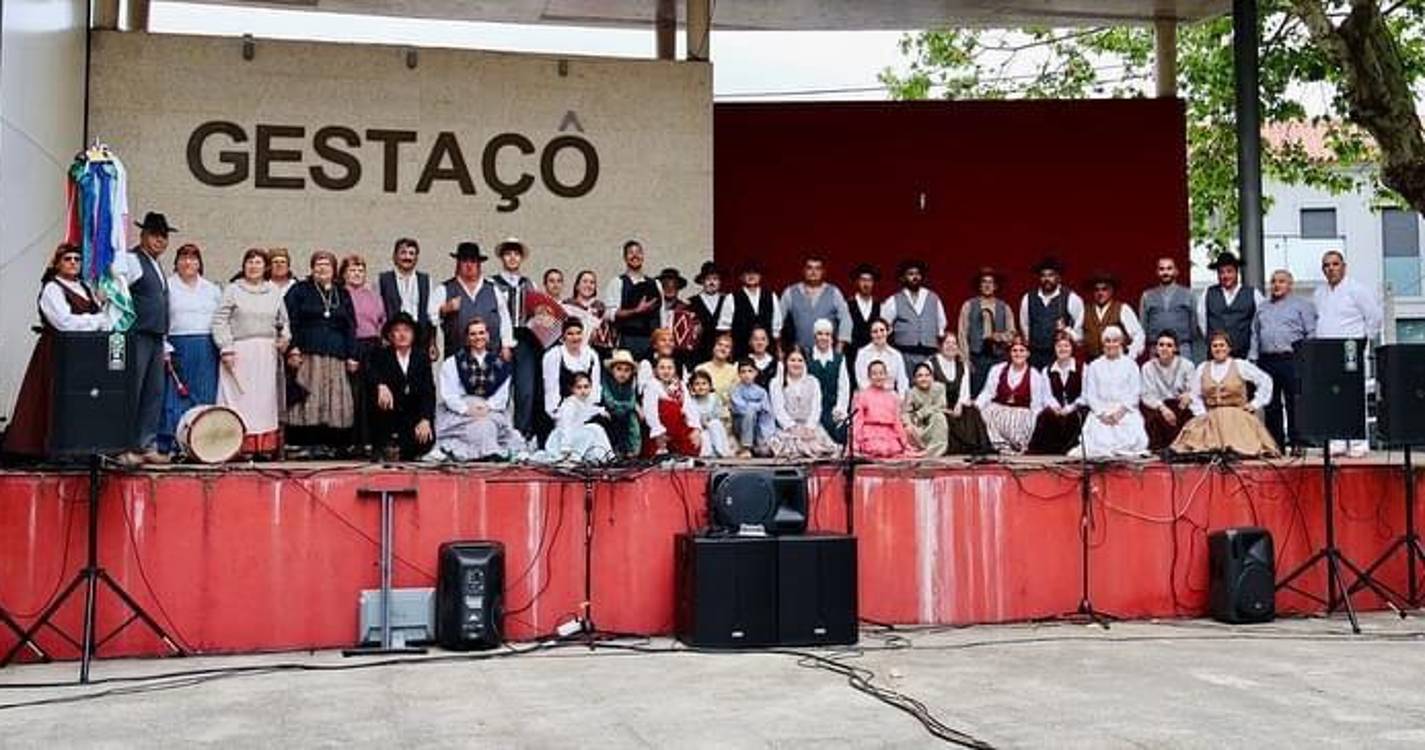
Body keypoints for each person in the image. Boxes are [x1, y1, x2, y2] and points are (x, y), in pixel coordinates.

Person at [2, 244, 110, 458]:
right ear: (58, 263)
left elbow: (103, 318)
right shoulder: (53, 288)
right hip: (57, 353)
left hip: (82, 354)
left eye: (77, 259)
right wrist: (96, 320)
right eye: (67, 258)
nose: (72, 262)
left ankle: (78, 446)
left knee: (80, 400)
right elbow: (64, 322)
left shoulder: (85, 288)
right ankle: (57, 449)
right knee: (57, 398)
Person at [111, 211, 176, 466]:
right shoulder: (131, 260)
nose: (160, 241)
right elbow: (117, 293)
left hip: (156, 336)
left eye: (164, 237)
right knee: (131, 390)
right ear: (144, 236)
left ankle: (144, 443)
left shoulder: (156, 265)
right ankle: (122, 445)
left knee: (153, 393)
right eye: (155, 236)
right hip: (136, 334)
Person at [213, 248, 289, 459]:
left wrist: (285, 339)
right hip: (239, 352)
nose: (253, 266)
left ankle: (262, 447)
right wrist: (225, 347)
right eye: (250, 262)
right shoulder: (233, 289)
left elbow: (284, 321)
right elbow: (220, 320)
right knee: (239, 400)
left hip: (266, 353)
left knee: (264, 402)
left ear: (265, 267)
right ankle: (237, 446)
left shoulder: (273, 290)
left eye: (258, 262)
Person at [284, 250, 358, 455]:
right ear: (312, 268)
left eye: (326, 264)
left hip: (336, 352)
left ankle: (331, 444)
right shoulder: (300, 290)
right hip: (308, 351)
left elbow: (351, 326)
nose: (322, 268)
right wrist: (293, 348)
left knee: (332, 398)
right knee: (310, 397)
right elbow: (290, 320)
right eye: (318, 264)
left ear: (334, 269)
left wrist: (352, 354)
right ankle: (306, 443)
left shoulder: (342, 293)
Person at [1314, 250, 1383, 458]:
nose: (1331, 268)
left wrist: (1363, 340)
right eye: (1326, 265)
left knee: (1353, 392)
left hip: (1350, 347)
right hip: (1327, 349)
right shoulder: (1319, 293)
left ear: (1344, 266)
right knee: (1333, 394)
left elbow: (1374, 317)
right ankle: (1337, 440)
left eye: (1335, 264)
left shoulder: (1357, 290)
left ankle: (1358, 441)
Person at [1171, 331, 1279, 457]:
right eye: (1215, 346)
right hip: (1211, 417)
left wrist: (1255, 404)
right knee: (1196, 448)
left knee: (1239, 450)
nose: (1218, 349)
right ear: (1210, 349)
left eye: (1222, 345)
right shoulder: (1203, 367)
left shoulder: (1240, 365)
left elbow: (1265, 380)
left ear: (1229, 348)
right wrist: (1201, 413)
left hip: (1237, 417)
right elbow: (1195, 394)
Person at [159, 243, 221, 456]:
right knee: (176, 396)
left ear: (200, 263)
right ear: (176, 263)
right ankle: (175, 445)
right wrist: (164, 346)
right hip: (178, 346)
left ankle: (204, 445)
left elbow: (220, 320)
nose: (188, 263)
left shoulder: (212, 289)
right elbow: (161, 319)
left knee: (205, 395)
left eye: (193, 258)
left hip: (206, 347)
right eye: (183, 258)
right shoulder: (167, 287)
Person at [435, 319, 524, 461]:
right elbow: (449, 394)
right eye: (473, 334)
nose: (478, 337)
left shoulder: (500, 364)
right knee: (480, 426)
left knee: (487, 425)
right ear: (467, 338)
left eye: (481, 333)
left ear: (488, 336)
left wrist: (486, 407)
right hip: (461, 411)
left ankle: (487, 453)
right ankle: (479, 454)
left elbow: (502, 396)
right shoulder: (452, 362)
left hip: (489, 410)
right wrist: (466, 409)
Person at [1253, 269, 1316, 453]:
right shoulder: (1263, 307)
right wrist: (1253, 358)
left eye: (1281, 281)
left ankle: (1297, 442)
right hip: (1267, 360)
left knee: (1294, 402)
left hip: (1292, 359)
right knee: (1271, 404)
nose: (1276, 285)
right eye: (1273, 281)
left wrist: (1308, 358)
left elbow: (1310, 333)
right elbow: (1255, 334)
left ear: (1290, 284)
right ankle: (1276, 444)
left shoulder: (1302, 305)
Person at [366, 313, 436, 461]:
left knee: (424, 441)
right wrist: (380, 385)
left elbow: (428, 392)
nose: (402, 335)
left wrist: (425, 419)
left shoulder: (421, 358)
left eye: (407, 330)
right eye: (397, 330)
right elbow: (370, 373)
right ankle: (383, 445)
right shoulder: (380, 355)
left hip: (411, 416)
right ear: (391, 335)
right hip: (387, 414)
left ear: (413, 334)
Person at [489, 237, 540, 438]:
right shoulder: (492, 283)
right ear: (502, 257)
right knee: (499, 389)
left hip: (525, 339)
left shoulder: (529, 283)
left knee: (525, 390)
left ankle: (522, 436)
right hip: (499, 340)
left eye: (516, 254)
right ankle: (496, 435)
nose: (512, 258)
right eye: (508, 254)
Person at [1079, 326, 1149, 458]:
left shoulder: (1131, 365)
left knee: (1132, 439)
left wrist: (1120, 413)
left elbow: (1135, 393)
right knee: (1097, 442)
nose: (1111, 344)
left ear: (1121, 342)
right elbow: (1090, 395)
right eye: (1108, 341)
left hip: (1125, 411)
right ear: (1103, 344)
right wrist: (1102, 414)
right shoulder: (1094, 366)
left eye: (1115, 340)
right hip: (1101, 412)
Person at [437, 241, 514, 360]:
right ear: (458, 264)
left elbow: (505, 319)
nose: (469, 265)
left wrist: (506, 346)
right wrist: (445, 308)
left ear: (479, 264)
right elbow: (430, 319)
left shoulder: (493, 289)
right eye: (464, 261)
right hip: (456, 358)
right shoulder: (444, 289)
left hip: (491, 357)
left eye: (473, 261)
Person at [976, 337, 1049, 454]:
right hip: (1000, 411)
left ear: (1028, 354)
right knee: (986, 412)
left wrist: (1033, 421)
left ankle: (1017, 445)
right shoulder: (998, 370)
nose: (1018, 354)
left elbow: (1036, 403)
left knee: (1025, 419)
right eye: (1015, 350)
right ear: (1010, 353)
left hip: (1021, 414)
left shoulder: (1034, 375)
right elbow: (988, 392)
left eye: (1021, 351)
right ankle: (999, 445)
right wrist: (977, 406)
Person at [343, 254, 386, 454]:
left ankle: (370, 441)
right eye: (352, 270)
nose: (357, 274)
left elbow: (381, 320)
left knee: (371, 395)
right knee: (354, 396)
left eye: (360, 270)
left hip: (373, 346)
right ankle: (353, 442)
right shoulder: (342, 294)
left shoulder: (373, 294)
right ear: (344, 273)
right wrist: (351, 353)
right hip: (354, 346)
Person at [927, 332, 993, 455]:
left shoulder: (962, 366)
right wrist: (943, 408)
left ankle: (973, 446)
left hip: (956, 405)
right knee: (943, 418)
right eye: (947, 343)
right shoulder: (930, 364)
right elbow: (927, 391)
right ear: (941, 345)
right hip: (938, 407)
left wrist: (960, 404)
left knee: (972, 412)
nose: (951, 346)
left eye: (954, 343)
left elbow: (965, 391)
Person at [769, 348, 839, 459]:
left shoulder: (813, 381)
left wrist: (810, 427)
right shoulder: (776, 383)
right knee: (791, 448)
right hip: (786, 429)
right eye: (792, 360)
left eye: (800, 360)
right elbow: (778, 410)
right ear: (786, 362)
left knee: (820, 448)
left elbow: (816, 407)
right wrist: (792, 427)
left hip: (810, 427)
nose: (796, 364)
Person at [957, 266, 1017, 395]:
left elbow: (1012, 334)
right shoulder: (969, 305)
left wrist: (999, 337)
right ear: (979, 286)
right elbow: (962, 334)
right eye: (984, 282)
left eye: (990, 282)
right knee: (976, 393)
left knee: (997, 393)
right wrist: (966, 360)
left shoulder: (1004, 307)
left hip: (998, 358)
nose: (987, 285)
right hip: (977, 358)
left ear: (995, 286)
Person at [377, 238, 440, 357]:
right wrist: (382, 337)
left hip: (420, 339)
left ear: (416, 258)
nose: (407, 257)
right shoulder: (383, 280)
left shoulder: (425, 280)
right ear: (395, 257)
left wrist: (432, 343)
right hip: (392, 339)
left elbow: (432, 315)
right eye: (403, 253)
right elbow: (378, 313)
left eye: (412, 253)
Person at [882, 259, 947, 372]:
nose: (915, 277)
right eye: (910, 274)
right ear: (903, 277)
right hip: (904, 354)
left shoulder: (933, 298)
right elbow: (884, 325)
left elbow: (942, 323)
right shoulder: (894, 300)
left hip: (929, 354)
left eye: (917, 274)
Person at [1019, 256, 1084, 370]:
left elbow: (1079, 332)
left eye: (1051, 275)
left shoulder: (1071, 298)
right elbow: (1025, 325)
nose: (1047, 279)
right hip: (1035, 356)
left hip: (1060, 355)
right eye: (1043, 275)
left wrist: (1066, 330)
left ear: (1058, 277)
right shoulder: (1028, 298)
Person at [534, 371, 613, 464]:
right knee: (591, 432)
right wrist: (565, 447)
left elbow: (590, 410)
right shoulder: (570, 405)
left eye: (586, 387)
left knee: (596, 429)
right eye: (579, 387)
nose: (583, 391)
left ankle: (608, 456)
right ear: (572, 389)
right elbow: (566, 426)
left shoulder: (585, 402)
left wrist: (602, 411)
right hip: (564, 438)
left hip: (576, 434)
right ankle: (572, 458)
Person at [1028, 332, 1087, 455]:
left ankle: (1068, 450)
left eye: (1066, 346)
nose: (1062, 349)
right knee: (1046, 416)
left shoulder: (1083, 368)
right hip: (1057, 409)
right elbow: (1046, 395)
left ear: (1072, 348)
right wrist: (1055, 407)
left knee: (1076, 418)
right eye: (1059, 346)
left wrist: (1070, 408)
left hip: (1076, 408)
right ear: (1055, 349)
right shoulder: (1047, 370)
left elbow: (1085, 395)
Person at [1197, 252, 1263, 361]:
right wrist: (1213, 341)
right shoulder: (1208, 293)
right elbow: (1202, 323)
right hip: (1215, 357)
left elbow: (1258, 324)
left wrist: (1252, 353)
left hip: (1243, 356)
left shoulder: (1253, 293)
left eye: (1229, 271)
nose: (1225, 276)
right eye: (1221, 272)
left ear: (1237, 272)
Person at [781, 256, 851, 354]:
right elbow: (778, 321)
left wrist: (840, 346)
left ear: (823, 272)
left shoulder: (834, 292)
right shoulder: (790, 292)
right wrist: (781, 347)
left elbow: (846, 319)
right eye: (809, 268)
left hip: (827, 352)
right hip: (799, 353)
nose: (813, 272)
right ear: (804, 271)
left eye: (817, 268)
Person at [1139, 330, 1196, 453]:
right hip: (1158, 407)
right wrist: (1163, 408)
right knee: (1152, 420)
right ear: (1156, 348)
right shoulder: (1148, 367)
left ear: (1175, 348)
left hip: (1179, 405)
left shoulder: (1187, 365)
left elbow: (1194, 389)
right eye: (1161, 345)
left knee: (1189, 419)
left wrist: (1188, 396)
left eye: (1169, 345)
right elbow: (1146, 395)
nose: (1164, 348)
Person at [603, 239, 660, 359]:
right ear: (625, 258)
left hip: (650, 342)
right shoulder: (617, 283)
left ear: (643, 256)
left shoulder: (656, 284)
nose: (635, 256)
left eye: (638, 252)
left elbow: (662, 315)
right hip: (625, 340)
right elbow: (608, 314)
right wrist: (636, 311)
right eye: (630, 253)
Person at [851, 360, 918, 459]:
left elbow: (897, 422)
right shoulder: (862, 396)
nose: (878, 377)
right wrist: (855, 445)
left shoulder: (893, 397)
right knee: (879, 449)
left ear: (886, 375)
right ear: (869, 377)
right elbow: (858, 422)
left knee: (894, 449)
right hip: (870, 434)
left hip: (889, 434)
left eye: (881, 373)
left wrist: (905, 444)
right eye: (874, 374)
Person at [718, 260, 782, 359]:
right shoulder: (731, 298)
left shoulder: (771, 296)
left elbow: (776, 327)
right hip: (741, 350)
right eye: (747, 273)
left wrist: (778, 350)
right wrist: (728, 351)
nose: (751, 276)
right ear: (741, 277)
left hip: (767, 351)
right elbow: (726, 329)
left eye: (755, 273)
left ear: (760, 276)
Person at [1140, 256, 1199, 361]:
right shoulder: (1147, 295)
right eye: (1161, 269)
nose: (1165, 272)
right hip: (1156, 348)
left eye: (1169, 268)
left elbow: (1194, 324)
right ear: (1157, 272)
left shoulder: (1188, 294)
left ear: (1176, 271)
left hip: (1182, 347)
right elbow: (1143, 324)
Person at [642, 354, 702, 458]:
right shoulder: (651, 385)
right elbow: (650, 411)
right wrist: (658, 432)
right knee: (669, 406)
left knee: (693, 447)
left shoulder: (680, 385)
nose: (666, 371)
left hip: (677, 429)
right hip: (660, 428)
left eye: (669, 368)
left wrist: (695, 428)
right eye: (662, 368)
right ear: (655, 370)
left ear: (674, 370)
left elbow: (689, 407)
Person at [542, 317, 602, 420]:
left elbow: (595, 386)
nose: (575, 337)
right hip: (563, 409)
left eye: (578, 333)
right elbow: (551, 387)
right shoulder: (554, 355)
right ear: (563, 336)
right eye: (570, 334)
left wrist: (590, 411)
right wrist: (556, 413)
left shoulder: (591, 355)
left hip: (586, 408)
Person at [1081, 272, 1144, 360]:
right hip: (1091, 362)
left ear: (1111, 290)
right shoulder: (1085, 310)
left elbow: (1138, 335)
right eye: (1097, 290)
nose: (1100, 293)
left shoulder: (1122, 308)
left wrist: (1130, 356)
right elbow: (1079, 338)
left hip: (1116, 362)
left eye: (1104, 289)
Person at [807, 319, 851, 444]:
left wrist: (840, 409)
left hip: (832, 408)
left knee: (840, 432)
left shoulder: (839, 359)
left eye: (827, 334)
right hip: (810, 409)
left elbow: (844, 387)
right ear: (814, 336)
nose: (823, 337)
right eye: (820, 334)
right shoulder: (807, 356)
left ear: (832, 337)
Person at [902, 362, 949, 458]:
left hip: (933, 423)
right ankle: (920, 449)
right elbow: (905, 413)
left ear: (932, 377)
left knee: (939, 417)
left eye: (927, 375)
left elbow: (941, 405)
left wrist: (921, 413)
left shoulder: (939, 388)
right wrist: (909, 424)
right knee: (907, 429)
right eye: (920, 376)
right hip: (919, 426)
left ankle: (931, 452)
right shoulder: (911, 392)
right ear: (914, 379)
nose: (924, 379)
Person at [601, 350, 643, 459]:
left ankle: (633, 450)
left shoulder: (631, 384)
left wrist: (630, 407)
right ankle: (613, 452)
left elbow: (632, 400)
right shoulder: (606, 382)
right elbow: (608, 400)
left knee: (632, 419)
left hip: (625, 412)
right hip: (610, 411)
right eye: (619, 369)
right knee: (609, 421)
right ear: (612, 370)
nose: (622, 373)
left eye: (627, 370)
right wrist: (624, 406)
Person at [729, 359, 775, 457]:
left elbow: (767, 411)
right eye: (743, 371)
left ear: (756, 373)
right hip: (741, 425)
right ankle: (746, 447)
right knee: (749, 412)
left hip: (758, 427)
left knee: (764, 452)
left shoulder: (761, 391)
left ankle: (760, 443)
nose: (746, 374)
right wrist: (757, 406)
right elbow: (741, 408)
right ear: (739, 374)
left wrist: (766, 434)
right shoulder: (735, 390)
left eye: (750, 371)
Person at [853, 319, 908, 394]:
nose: (879, 334)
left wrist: (901, 399)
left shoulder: (896, 355)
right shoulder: (862, 354)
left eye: (882, 330)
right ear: (870, 334)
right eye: (875, 331)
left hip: (890, 397)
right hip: (868, 397)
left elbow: (902, 382)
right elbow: (861, 382)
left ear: (888, 332)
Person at [687, 262, 727, 365]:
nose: (712, 282)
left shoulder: (727, 301)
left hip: (722, 352)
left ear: (720, 282)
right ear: (702, 281)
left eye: (715, 279)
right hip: (699, 353)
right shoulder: (692, 303)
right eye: (708, 279)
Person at [688, 370, 733, 458]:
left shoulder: (714, 398)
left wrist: (708, 421)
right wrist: (701, 424)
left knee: (714, 424)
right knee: (704, 435)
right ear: (692, 387)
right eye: (697, 384)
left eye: (704, 383)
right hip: (700, 428)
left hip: (714, 425)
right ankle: (709, 453)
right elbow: (692, 417)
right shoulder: (691, 401)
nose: (701, 387)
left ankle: (721, 451)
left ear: (710, 386)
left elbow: (718, 414)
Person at [846, 264, 883, 370]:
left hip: (874, 352)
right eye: (863, 280)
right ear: (857, 282)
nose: (866, 284)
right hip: (852, 353)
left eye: (870, 280)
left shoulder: (879, 305)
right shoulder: (848, 304)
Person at [695, 332, 739, 405]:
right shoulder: (701, 368)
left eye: (727, 346)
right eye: (720, 344)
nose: (722, 348)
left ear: (730, 353)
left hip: (726, 412)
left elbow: (735, 397)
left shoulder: (734, 371)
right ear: (713, 347)